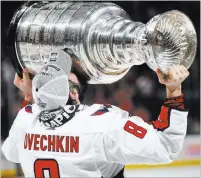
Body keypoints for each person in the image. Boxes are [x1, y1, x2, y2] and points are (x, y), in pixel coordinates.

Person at [2, 60, 189, 178]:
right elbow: (166, 146)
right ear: (74, 93)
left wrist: (32, 97)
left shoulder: (26, 119)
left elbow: (12, 153)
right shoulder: (101, 123)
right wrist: (173, 90)